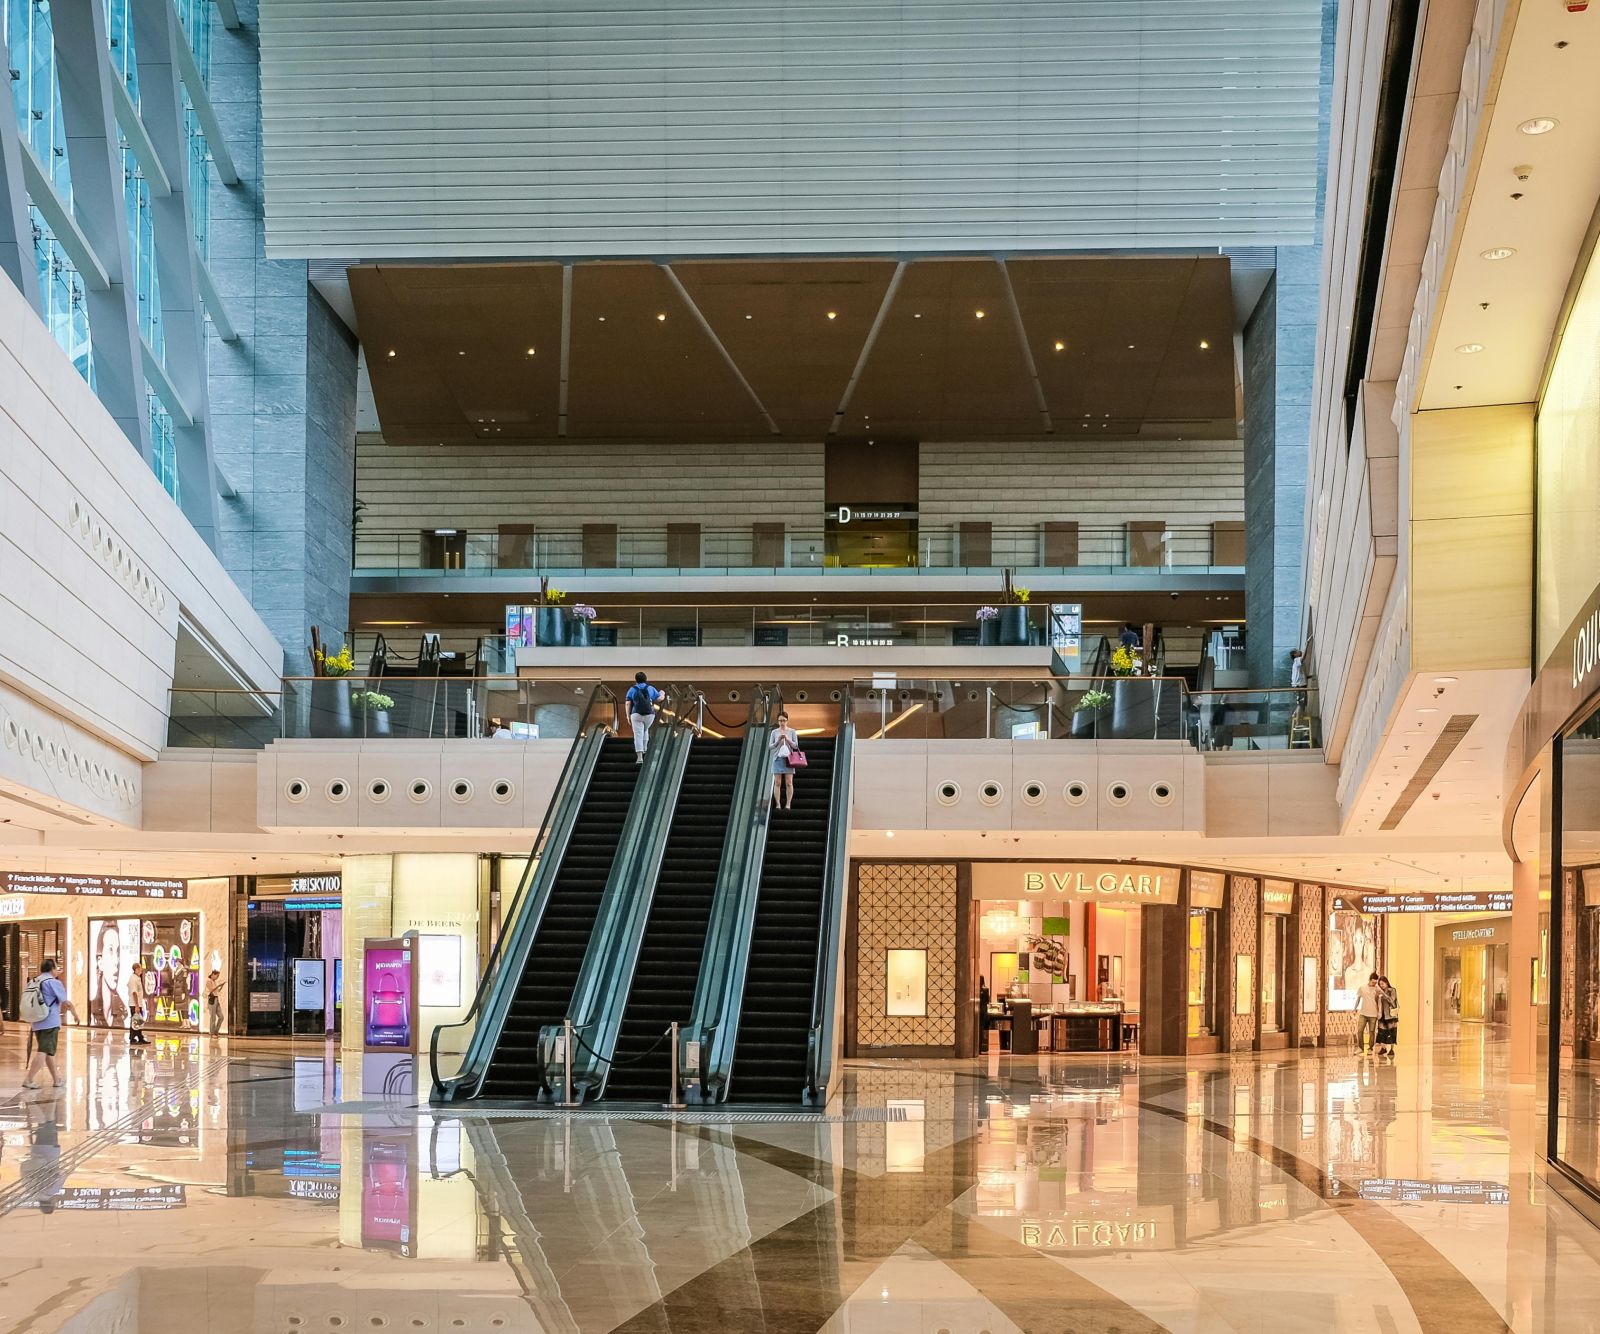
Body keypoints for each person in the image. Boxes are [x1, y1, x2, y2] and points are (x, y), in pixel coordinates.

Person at [22, 959, 77, 1089]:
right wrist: (75, 1014)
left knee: (47, 1050)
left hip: (37, 1022)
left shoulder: (34, 981)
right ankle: (28, 1079)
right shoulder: (53, 982)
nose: (57, 970)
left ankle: (57, 1079)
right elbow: (66, 1003)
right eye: (56, 967)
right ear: (52, 968)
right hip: (50, 1022)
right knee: (44, 1051)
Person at [89, 921, 128, 1029]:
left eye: (118, 952)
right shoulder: (91, 1013)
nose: (116, 961)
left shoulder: (123, 1014)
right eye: (110, 950)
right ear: (100, 962)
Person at [624, 671, 663, 763]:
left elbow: (628, 703)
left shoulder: (632, 689)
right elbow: (659, 699)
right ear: (646, 679)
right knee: (645, 730)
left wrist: (627, 716)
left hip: (636, 714)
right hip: (650, 715)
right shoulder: (650, 688)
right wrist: (662, 693)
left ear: (636, 680)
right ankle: (645, 749)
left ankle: (640, 758)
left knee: (638, 734)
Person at [770, 710, 800, 809]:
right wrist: (778, 740)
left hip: (789, 759)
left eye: (783, 720)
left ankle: (788, 803)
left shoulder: (792, 731)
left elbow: (796, 746)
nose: (782, 723)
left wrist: (787, 739)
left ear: (787, 721)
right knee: (777, 782)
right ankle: (778, 804)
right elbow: (770, 746)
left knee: (789, 782)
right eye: (780, 721)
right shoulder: (774, 732)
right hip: (777, 758)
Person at [1355, 971, 1382, 1056]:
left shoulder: (1377, 989)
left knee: (1372, 1031)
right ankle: (1360, 1048)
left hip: (1373, 1014)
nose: (1374, 984)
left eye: (1376, 982)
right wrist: (1354, 1008)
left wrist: (1379, 1012)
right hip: (1363, 1013)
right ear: (1369, 980)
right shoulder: (1362, 988)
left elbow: (1380, 1001)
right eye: (1373, 982)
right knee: (1359, 1031)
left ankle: (1370, 1048)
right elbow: (1358, 999)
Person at [1375, 975, 1399, 1059]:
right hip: (1382, 1015)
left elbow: (1391, 1001)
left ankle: (1392, 1049)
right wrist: (1378, 995)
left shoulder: (1392, 990)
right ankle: (1383, 1048)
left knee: (1391, 1032)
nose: (1382, 985)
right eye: (1380, 984)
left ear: (1387, 983)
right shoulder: (1380, 992)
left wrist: (1383, 993)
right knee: (1381, 1032)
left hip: (1390, 1015)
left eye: (1383, 984)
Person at [127, 960, 150, 1045]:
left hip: (138, 1004)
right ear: (136, 969)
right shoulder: (133, 979)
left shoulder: (137, 978)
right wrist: (136, 1005)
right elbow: (134, 993)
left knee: (138, 1021)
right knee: (135, 1022)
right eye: (140, 968)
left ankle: (140, 1037)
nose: (142, 970)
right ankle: (132, 1038)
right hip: (134, 1004)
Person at [205, 969, 226, 1036]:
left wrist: (221, 986)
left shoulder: (215, 982)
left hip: (216, 999)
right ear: (212, 975)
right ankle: (212, 1032)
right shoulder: (208, 981)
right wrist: (219, 985)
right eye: (217, 976)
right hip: (212, 1000)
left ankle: (216, 1031)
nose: (217, 977)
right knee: (213, 1017)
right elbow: (211, 990)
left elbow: (217, 991)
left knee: (221, 1017)